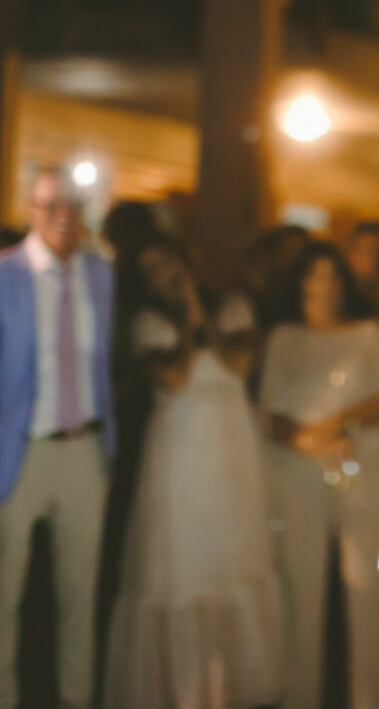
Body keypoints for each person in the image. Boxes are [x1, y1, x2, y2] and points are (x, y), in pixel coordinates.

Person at [104, 235, 283, 708]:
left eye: (165, 263)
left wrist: (201, 313)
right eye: (149, 271)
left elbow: (239, 363)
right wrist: (186, 317)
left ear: (187, 259)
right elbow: (177, 375)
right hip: (178, 461)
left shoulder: (233, 308)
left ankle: (228, 692)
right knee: (184, 571)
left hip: (231, 453)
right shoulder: (147, 323)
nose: (161, 274)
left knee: (233, 567)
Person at [260, 242, 379, 709]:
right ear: (299, 282)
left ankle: (373, 700)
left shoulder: (364, 332)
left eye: (332, 276)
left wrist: (336, 424)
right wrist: (310, 441)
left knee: (367, 595)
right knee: (300, 593)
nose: (324, 286)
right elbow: (268, 413)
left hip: (357, 470)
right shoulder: (283, 338)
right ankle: (298, 697)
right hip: (298, 474)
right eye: (315, 276)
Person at [0, 167, 116, 709]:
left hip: (85, 450)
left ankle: (77, 698)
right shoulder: (6, 275)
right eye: (51, 206)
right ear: (31, 209)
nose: (63, 215)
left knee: (82, 596)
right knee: (5, 597)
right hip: (20, 453)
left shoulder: (102, 275)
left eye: (72, 203)